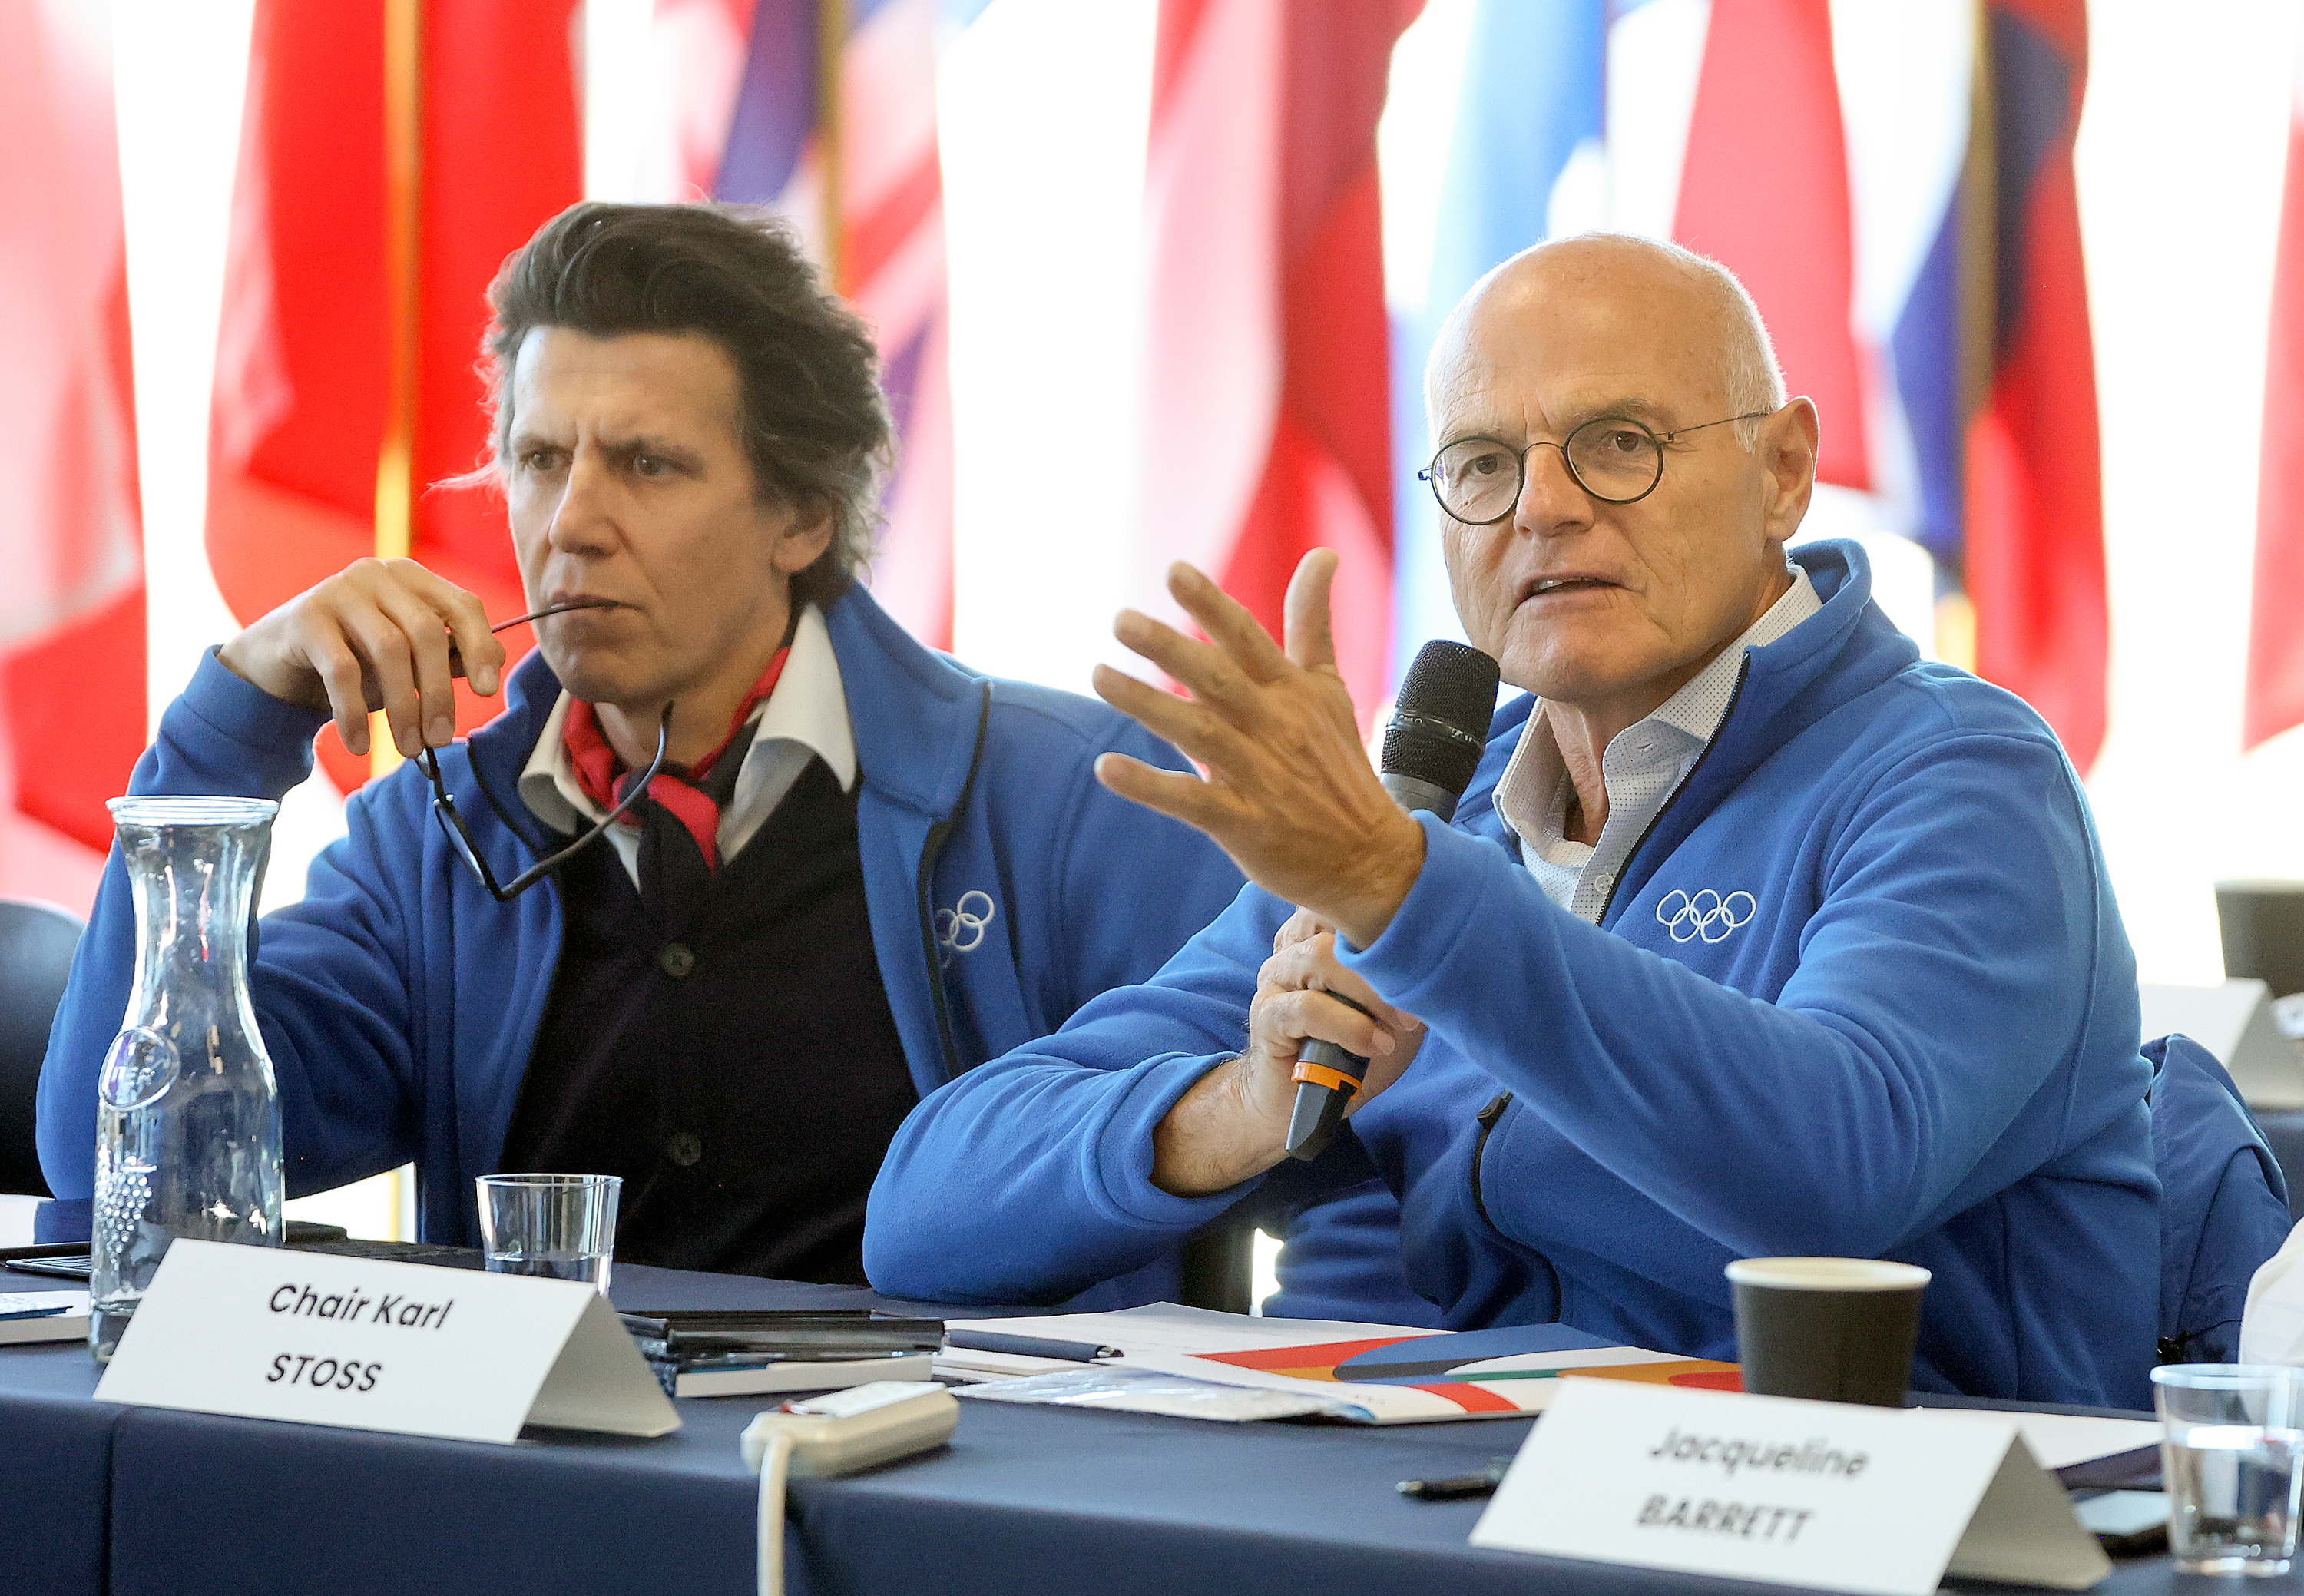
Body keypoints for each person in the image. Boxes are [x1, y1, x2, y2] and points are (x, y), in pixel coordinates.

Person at [865, 233, 2160, 1405]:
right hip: (1420, 1485)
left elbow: (1833, 1173)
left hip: (1831, 1512)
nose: (1543, 504)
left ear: (1783, 471)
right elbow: (920, 1209)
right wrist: (1246, 1107)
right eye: (1485, 463)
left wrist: (1410, 895)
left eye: (1617, 443)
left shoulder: (1962, 774)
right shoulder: (1430, 811)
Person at [36, 201, 1270, 1295]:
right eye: (538, 459)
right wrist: (237, 718)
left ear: (800, 516)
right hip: (539, 1505)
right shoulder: (434, 836)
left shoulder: (1074, 794)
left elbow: (1329, 1136)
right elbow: (125, 1161)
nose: (571, 523)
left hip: (950, 1504)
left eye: (645, 464)